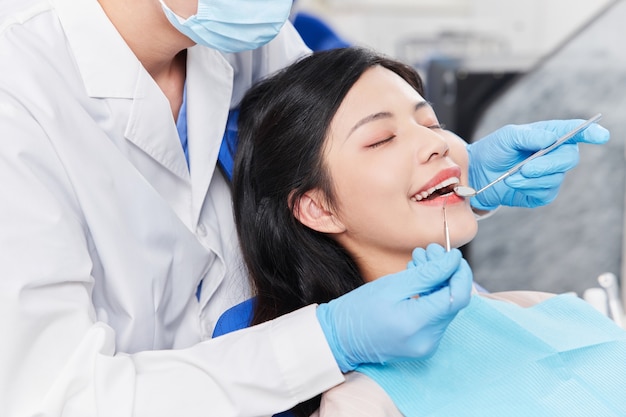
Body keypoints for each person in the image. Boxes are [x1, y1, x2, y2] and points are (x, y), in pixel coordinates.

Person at [0, 0, 610, 415]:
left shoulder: (236, 27)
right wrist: (328, 341)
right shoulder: (20, 90)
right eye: (388, 137)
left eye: (433, 123)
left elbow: (328, 141)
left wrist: (456, 172)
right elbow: (54, 397)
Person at [223, 46, 624, 416]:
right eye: (381, 139)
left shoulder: (548, 308)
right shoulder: (364, 401)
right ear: (319, 208)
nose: (436, 144)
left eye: (432, 122)